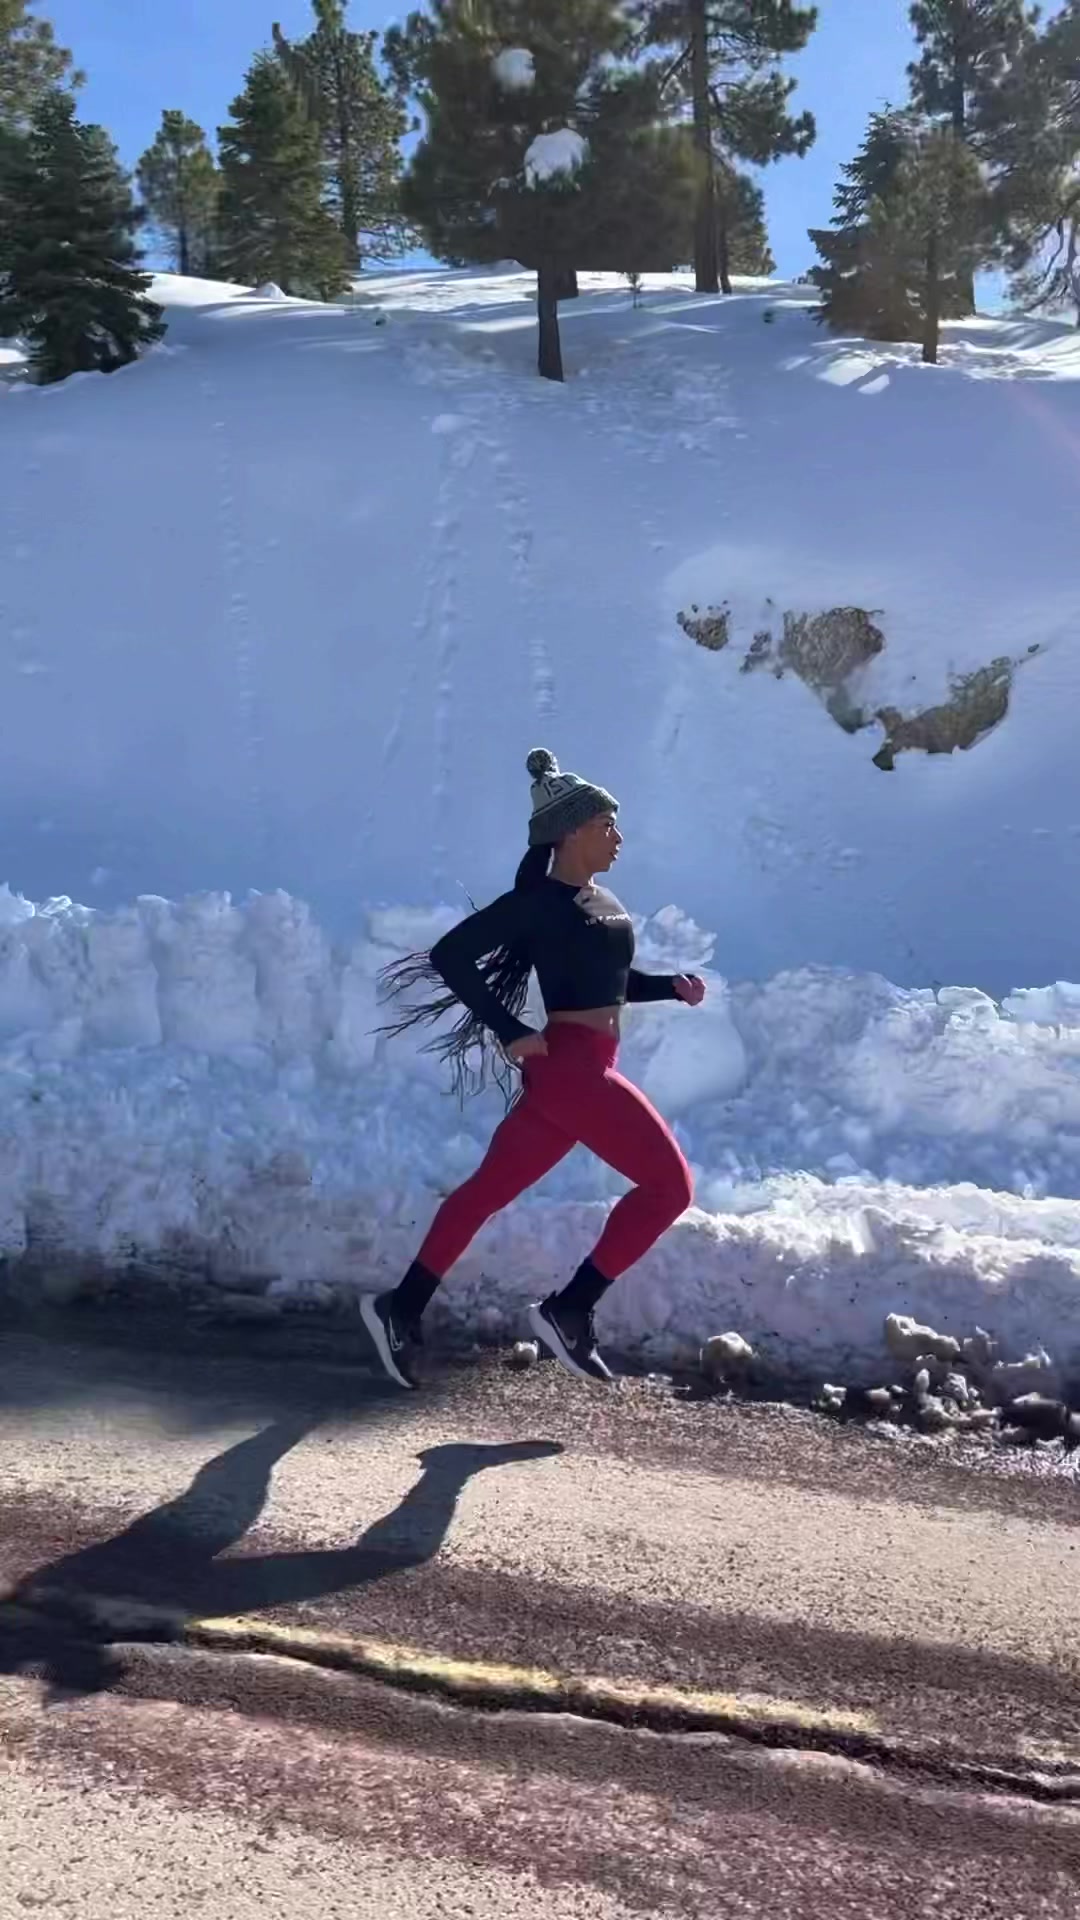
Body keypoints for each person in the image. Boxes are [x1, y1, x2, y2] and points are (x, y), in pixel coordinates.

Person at [364, 748, 706, 1389]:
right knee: (671, 1188)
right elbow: (450, 955)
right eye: (606, 825)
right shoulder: (538, 902)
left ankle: (400, 1308)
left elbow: (610, 983)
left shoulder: (602, 901)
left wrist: (669, 988)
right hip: (572, 1070)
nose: (618, 837)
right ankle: (570, 1309)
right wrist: (510, 1029)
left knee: (483, 1194)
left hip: (577, 1072)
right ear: (570, 832)